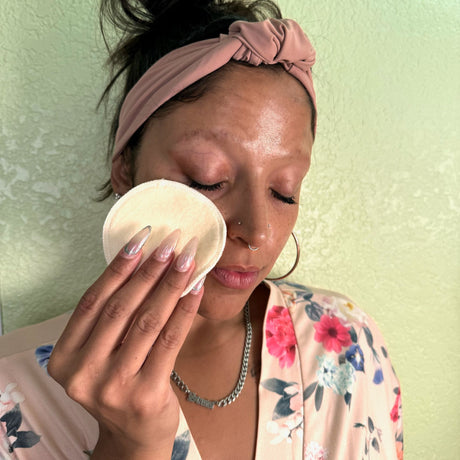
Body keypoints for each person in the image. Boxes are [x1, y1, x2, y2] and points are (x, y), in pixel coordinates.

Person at [0, 1, 403, 459]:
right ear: (126, 170)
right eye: (206, 179)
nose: (256, 231)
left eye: (285, 192)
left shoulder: (348, 344)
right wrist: (131, 447)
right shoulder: (12, 390)